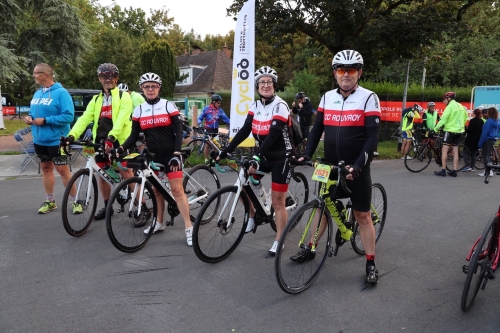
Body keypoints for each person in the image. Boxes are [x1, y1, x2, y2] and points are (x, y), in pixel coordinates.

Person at [297, 50, 381, 286]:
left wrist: (358, 166)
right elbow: (316, 130)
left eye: (351, 70)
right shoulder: (326, 97)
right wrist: (306, 154)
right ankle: (310, 247)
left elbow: (372, 138)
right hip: (330, 164)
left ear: (359, 73)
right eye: (341, 70)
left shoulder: (369, 98)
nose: (346, 74)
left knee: (362, 215)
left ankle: (371, 262)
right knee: (322, 205)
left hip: (356, 166)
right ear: (335, 73)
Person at [216, 66, 295, 255]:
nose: (265, 85)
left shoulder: (281, 106)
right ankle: (252, 216)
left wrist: (257, 156)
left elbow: (273, 136)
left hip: (281, 156)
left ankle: (279, 239)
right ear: (257, 86)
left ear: (274, 85)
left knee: (278, 202)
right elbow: (245, 130)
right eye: (262, 82)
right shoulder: (255, 106)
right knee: (244, 182)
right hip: (264, 154)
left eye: (269, 82)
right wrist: (226, 149)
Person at [117, 72, 194, 246]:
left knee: (177, 191)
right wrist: (121, 147)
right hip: (153, 156)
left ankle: (189, 227)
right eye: (146, 86)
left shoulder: (168, 105)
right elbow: (134, 135)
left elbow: (179, 130)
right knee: (158, 191)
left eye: (153, 86)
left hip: (171, 156)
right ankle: (159, 222)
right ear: (142, 89)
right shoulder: (139, 110)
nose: (150, 89)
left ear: (159, 87)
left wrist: (176, 152)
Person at [66, 63, 134, 220]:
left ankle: (140, 205)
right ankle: (107, 206)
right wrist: (72, 135)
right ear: (99, 79)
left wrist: (112, 137)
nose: (107, 79)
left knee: (125, 171)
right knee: (101, 174)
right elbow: (84, 119)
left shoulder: (124, 97)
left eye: (111, 76)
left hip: (120, 141)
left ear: (116, 79)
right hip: (101, 141)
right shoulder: (96, 100)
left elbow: (122, 120)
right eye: (104, 76)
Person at [24, 63, 76, 214]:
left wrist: (46, 120)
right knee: (46, 169)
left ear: (46, 74)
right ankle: (50, 201)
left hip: (58, 140)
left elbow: (68, 116)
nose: (33, 76)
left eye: (36, 73)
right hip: (40, 140)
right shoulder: (37, 94)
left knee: (63, 171)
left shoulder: (61, 93)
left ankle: (76, 201)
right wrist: (29, 117)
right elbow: (33, 112)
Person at [433, 92, 468, 177]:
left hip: (449, 131)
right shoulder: (460, 106)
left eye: (444, 99)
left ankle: (443, 170)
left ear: (448, 98)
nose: (443, 101)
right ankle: (455, 171)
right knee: (455, 151)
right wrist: (460, 126)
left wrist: (435, 128)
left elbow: (443, 119)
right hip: (459, 132)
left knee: (444, 150)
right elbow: (466, 117)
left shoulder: (450, 107)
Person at [197, 94, 230, 165]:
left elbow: (226, 119)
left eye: (220, 103)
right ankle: (206, 160)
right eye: (218, 103)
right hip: (208, 130)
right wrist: (199, 124)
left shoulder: (219, 110)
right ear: (213, 102)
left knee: (215, 146)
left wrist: (231, 124)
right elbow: (199, 118)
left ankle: (214, 160)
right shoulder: (206, 109)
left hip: (215, 130)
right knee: (207, 145)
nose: (219, 104)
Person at [478, 107, 499, 177]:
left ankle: (488, 171)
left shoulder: (489, 121)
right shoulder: (496, 121)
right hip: (493, 139)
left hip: (487, 140)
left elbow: (484, 133)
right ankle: (488, 171)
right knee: (488, 155)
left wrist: (480, 144)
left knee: (485, 156)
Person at [462, 108, 483, 172]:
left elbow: (470, 130)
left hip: (470, 139)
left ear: (474, 113)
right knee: (473, 154)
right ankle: (472, 167)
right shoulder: (481, 121)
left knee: (465, 152)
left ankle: (467, 166)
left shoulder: (472, 120)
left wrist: (465, 128)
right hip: (477, 139)